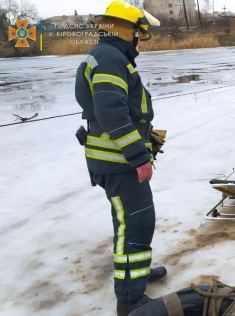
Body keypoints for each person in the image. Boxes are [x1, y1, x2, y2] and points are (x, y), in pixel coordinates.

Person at [74, 1, 166, 315]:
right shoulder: (111, 58)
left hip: (115, 158)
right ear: (127, 31)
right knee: (137, 223)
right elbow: (111, 112)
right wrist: (139, 157)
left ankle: (135, 276)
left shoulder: (106, 55)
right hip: (118, 161)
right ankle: (129, 298)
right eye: (140, 32)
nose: (142, 39)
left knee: (128, 222)